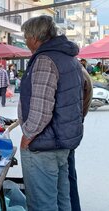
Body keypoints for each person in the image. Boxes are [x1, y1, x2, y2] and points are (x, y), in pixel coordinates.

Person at [19, 15, 83, 211]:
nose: (25, 41)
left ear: (35, 37)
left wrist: (27, 135)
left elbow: (41, 107)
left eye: (26, 37)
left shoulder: (45, 60)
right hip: (62, 141)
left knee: (42, 204)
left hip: (44, 144)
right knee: (62, 199)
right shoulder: (69, 58)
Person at [68, 66, 93, 211]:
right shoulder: (79, 70)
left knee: (67, 176)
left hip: (68, 129)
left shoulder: (74, 72)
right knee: (68, 174)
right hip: (72, 127)